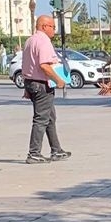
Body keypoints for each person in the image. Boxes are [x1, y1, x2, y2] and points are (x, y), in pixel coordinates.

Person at [21, 15, 72, 164]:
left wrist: (26, 87)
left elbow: (27, 65)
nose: (54, 30)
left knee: (50, 117)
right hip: (42, 85)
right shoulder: (43, 41)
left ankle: (56, 150)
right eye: (52, 27)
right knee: (41, 119)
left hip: (32, 83)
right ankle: (34, 153)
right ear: (44, 26)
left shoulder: (30, 40)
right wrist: (58, 80)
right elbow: (44, 65)